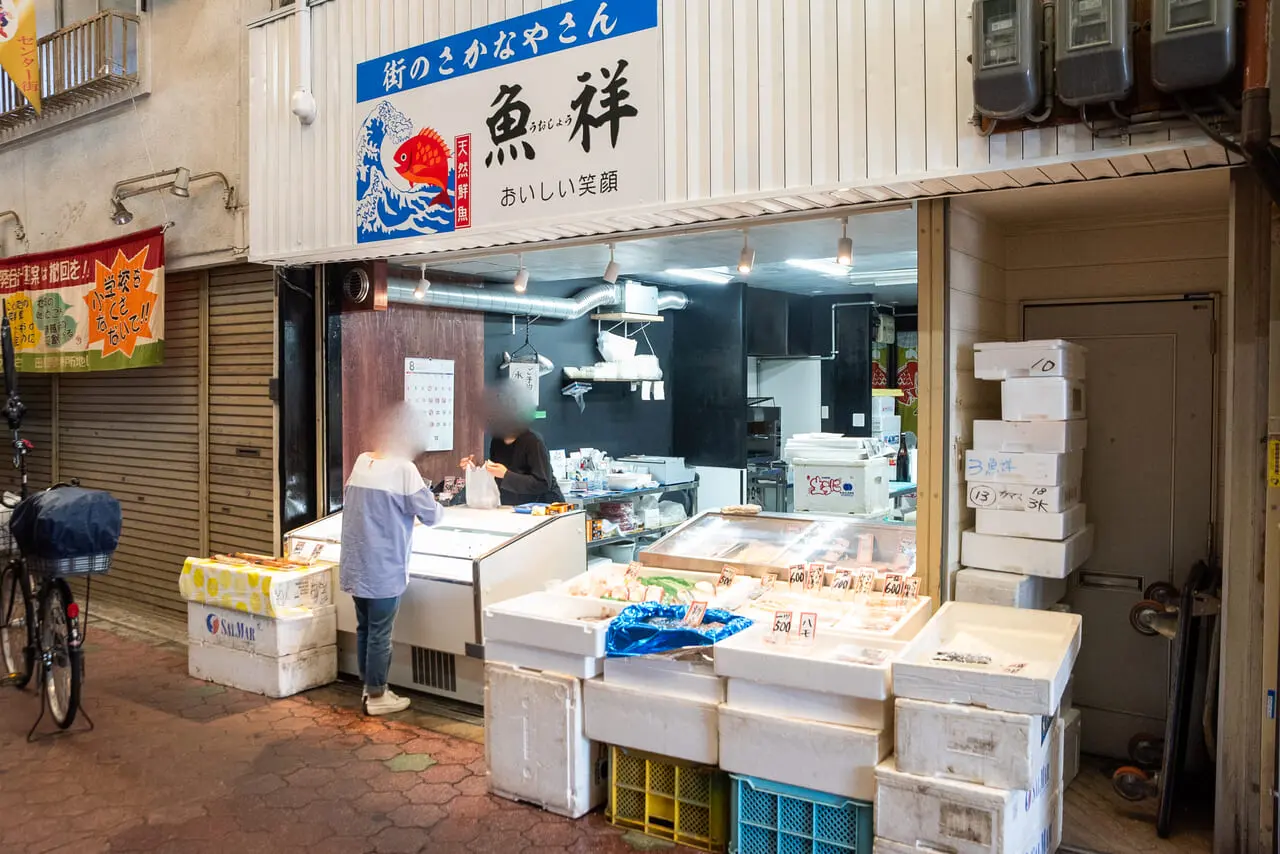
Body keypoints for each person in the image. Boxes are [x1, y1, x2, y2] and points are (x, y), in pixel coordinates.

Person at [340, 403, 443, 715]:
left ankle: (368, 685)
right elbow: (432, 515)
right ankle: (377, 695)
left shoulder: (362, 461)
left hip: (357, 564)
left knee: (365, 628)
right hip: (384, 566)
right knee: (380, 634)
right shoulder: (404, 469)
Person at [460, 382, 564, 506]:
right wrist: (476, 467)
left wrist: (506, 475)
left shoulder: (532, 441)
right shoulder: (497, 441)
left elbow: (542, 483)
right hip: (514, 508)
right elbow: (496, 476)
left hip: (544, 508)